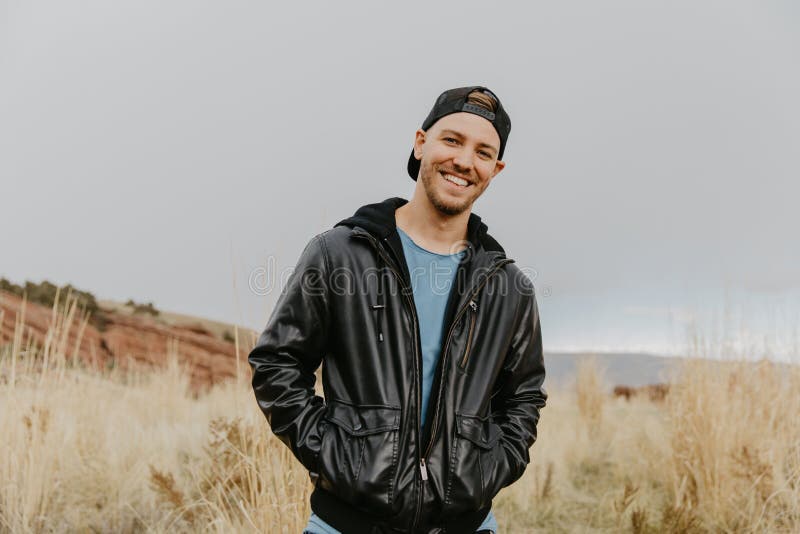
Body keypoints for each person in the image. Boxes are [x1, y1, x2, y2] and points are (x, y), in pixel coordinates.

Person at [248, 86, 547, 533]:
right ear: (420, 142)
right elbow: (277, 364)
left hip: (468, 525)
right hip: (346, 524)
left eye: (483, 152)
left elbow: (523, 397)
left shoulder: (508, 285)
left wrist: (486, 470)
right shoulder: (340, 255)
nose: (465, 161)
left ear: (495, 169)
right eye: (452, 140)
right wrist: (338, 457)